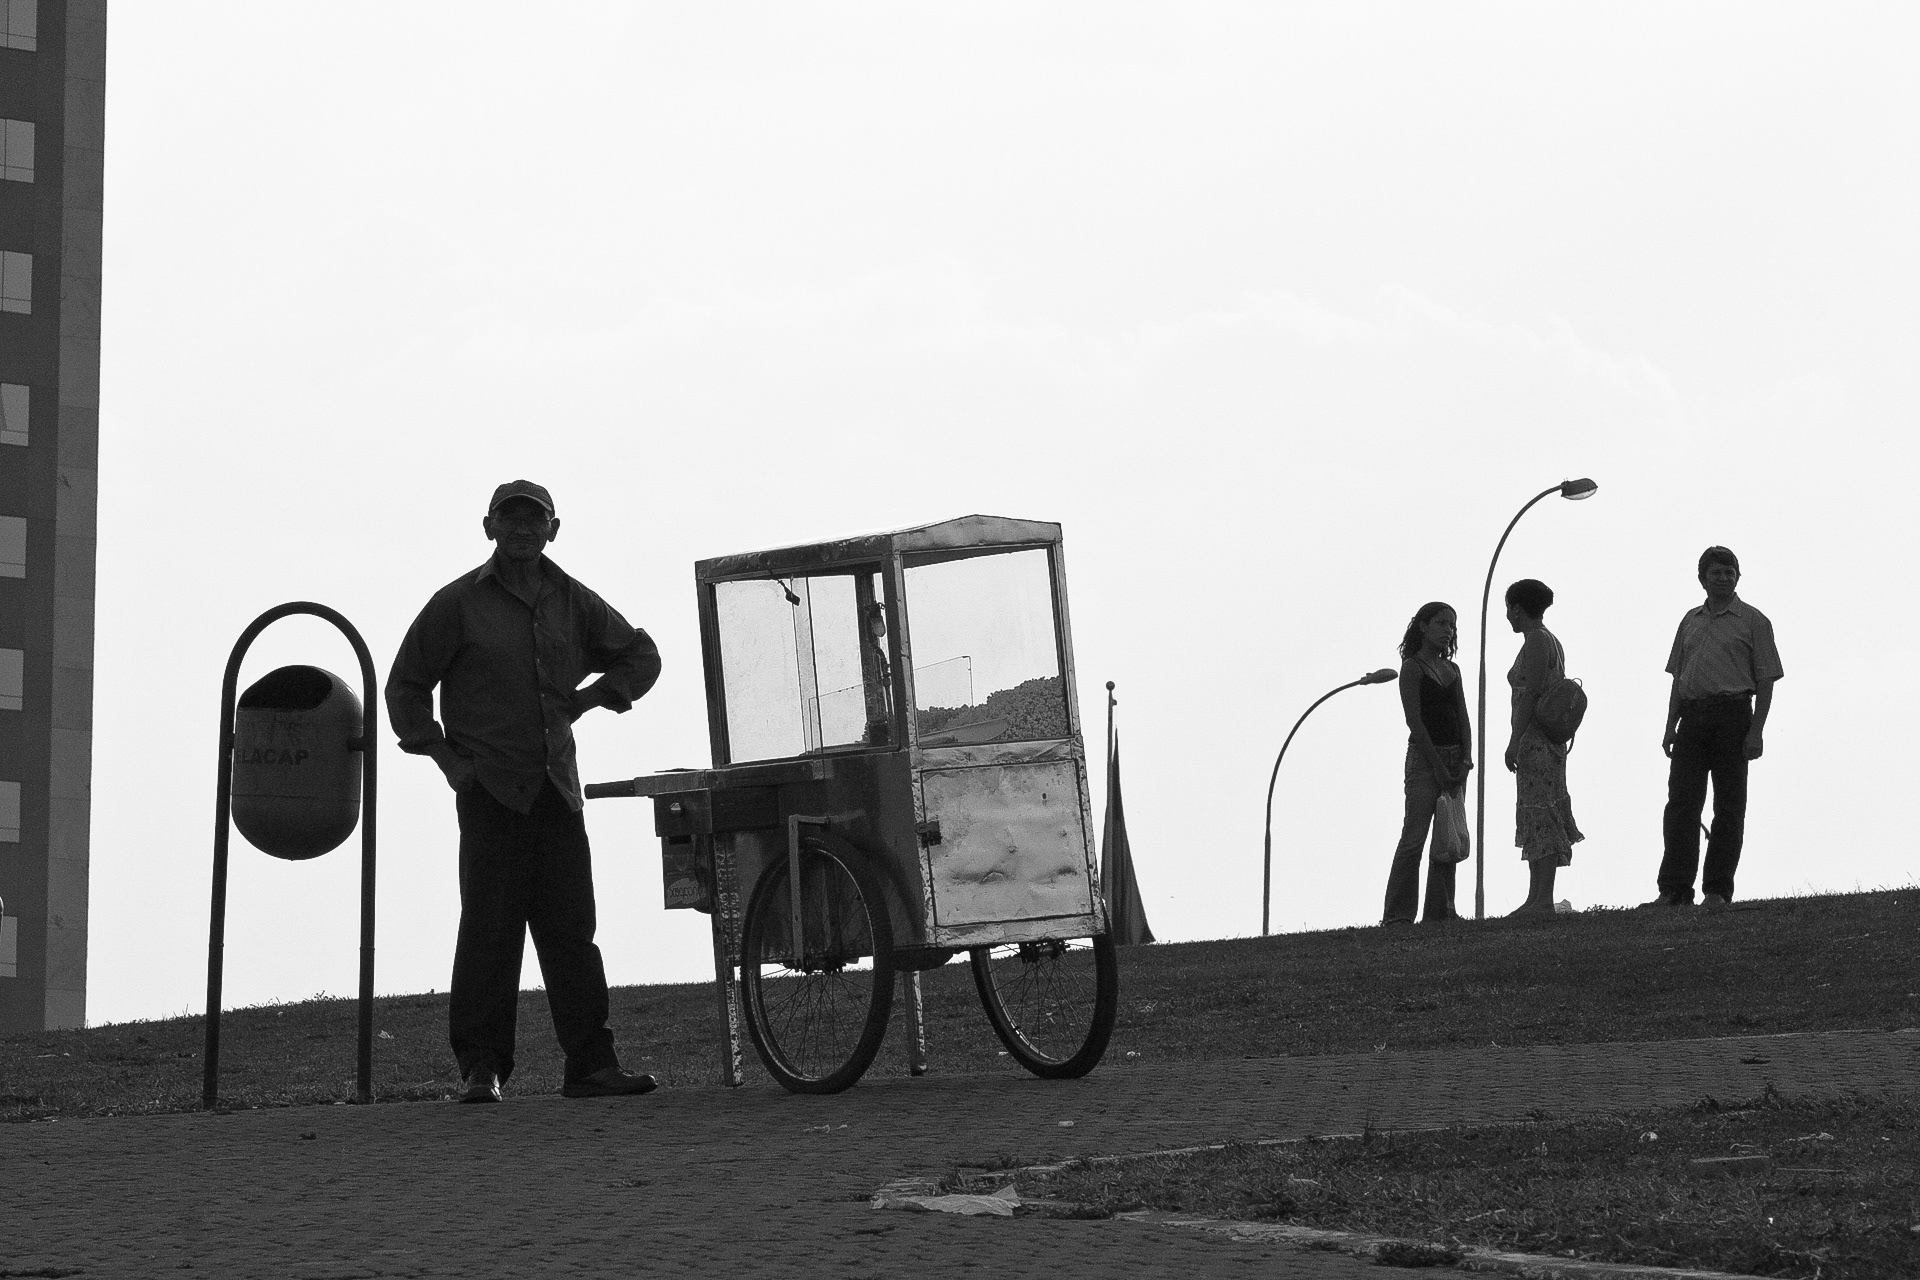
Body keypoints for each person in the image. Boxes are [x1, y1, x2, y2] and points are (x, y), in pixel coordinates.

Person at [387, 480, 663, 1104]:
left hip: (556, 792)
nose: (521, 531)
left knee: (573, 932)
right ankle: (480, 1070)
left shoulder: (573, 600)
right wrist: (446, 760)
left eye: (532, 521)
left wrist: (592, 698)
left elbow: (642, 655)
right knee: (489, 930)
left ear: (552, 530)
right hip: (489, 792)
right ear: (488, 527)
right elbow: (404, 687)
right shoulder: (456, 604)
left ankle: (591, 1066)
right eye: (509, 520)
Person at [1646, 546, 1783, 909]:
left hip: (1734, 716)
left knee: (1729, 807)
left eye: (1729, 572)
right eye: (1716, 572)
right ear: (1702, 578)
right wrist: (1669, 725)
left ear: (1738, 576)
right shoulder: (1690, 621)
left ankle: (1717, 890)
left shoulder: (1754, 621)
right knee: (1681, 806)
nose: (1723, 578)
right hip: (1692, 718)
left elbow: (1767, 679)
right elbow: (1678, 678)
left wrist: (1757, 731)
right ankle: (1674, 889)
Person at [1382, 602, 1472, 925]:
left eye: (1452, 625)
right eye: (1441, 623)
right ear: (1423, 625)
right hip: (1424, 760)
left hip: (1455, 758)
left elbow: (1463, 716)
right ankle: (1397, 915)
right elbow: (1414, 721)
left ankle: (1441, 910)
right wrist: (1436, 764)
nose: (1448, 630)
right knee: (1414, 837)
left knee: (1448, 835)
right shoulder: (1412, 668)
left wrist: (1466, 758)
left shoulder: (1453, 670)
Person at [1503, 579, 1582, 916]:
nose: (1508, 616)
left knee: (1540, 812)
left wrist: (1514, 739)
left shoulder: (1536, 640)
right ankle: (1536, 898)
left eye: (1509, 609)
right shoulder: (1548, 640)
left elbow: (1532, 693)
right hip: (1545, 741)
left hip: (1536, 741)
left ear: (1517, 608)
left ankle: (1543, 900)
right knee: (1537, 811)